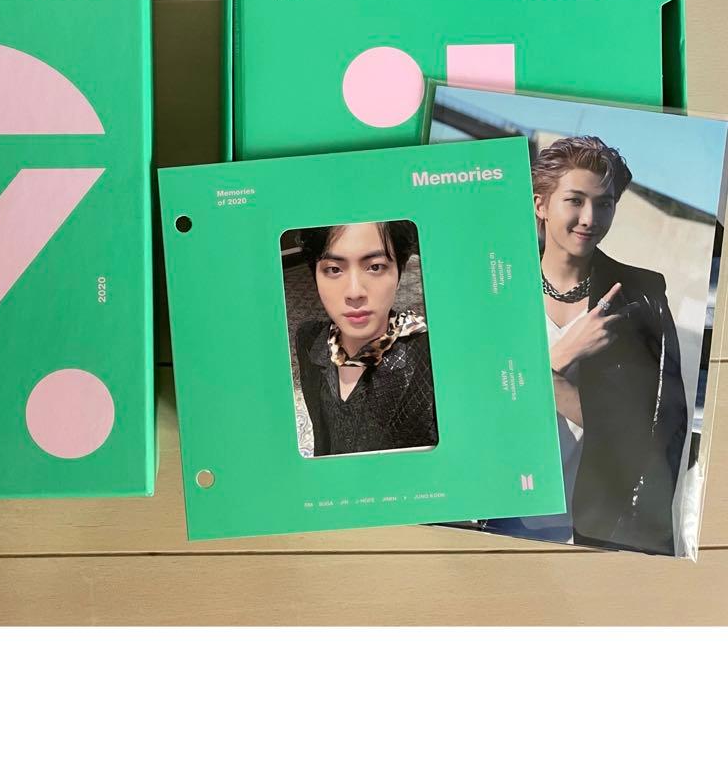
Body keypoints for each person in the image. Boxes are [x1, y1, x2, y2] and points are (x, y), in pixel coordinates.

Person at [486, 135, 688, 555]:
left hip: (593, 527)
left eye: (605, 203)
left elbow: (651, 429)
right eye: (575, 200)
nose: (590, 218)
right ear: (541, 205)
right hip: (497, 512)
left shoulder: (640, 297)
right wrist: (561, 357)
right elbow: (474, 410)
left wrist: (544, 378)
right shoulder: (496, 288)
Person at [293, 220, 437, 457]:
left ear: (399, 272)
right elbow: (323, 439)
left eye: (375, 267)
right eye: (334, 269)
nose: (354, 292)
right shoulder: (310, 339)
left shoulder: (432, 358)